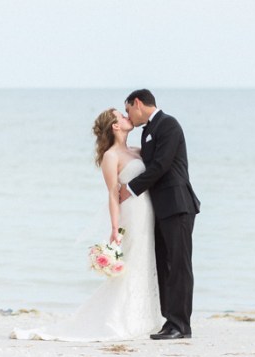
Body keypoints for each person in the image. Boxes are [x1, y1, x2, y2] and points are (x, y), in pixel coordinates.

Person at [10, 108, 163, 341]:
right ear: (115, 126)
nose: (126, 117)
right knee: (131, 262)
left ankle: (145, 316)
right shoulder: (111, 156)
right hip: (131, 214)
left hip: (148, 211)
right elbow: (112, 194)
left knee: (145, 260)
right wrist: (115, 228)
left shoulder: (136, 150)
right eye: (121, 116)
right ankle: (120, 319)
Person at [124, 89, 200, 340]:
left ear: (138, 103)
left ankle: (181, 325)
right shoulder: (148, 130)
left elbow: (161, 165)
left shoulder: (168, 124)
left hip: (178, 205)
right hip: (160, 208)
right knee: (164, 265)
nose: (128, 116)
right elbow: (150, 159)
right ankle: (170, 320)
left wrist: (130, 188)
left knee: (179, 266)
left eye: (128, 110)